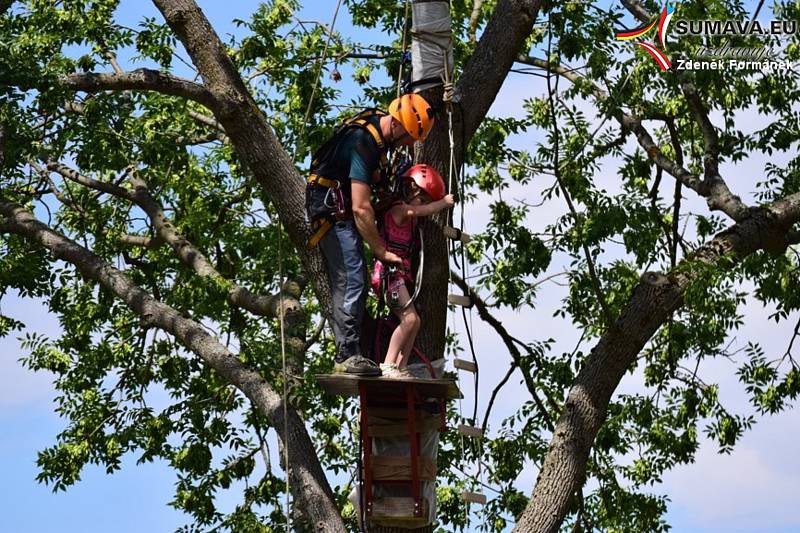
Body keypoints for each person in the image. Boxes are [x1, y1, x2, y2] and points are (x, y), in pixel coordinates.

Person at [305, 94, 435, 376]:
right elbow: (362, 208)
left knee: (358, 282)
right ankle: (347, 356)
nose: (409, 145)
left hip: (337, 207)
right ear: (399, 125)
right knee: (352, 279)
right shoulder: (363, 143)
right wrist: (380, 250)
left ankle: (359, 352)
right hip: (334, 211)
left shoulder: (374, 130)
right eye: (409, 137)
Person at [370, 164, 454, 379]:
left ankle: (401, 365)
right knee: (409, 320)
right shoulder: (399, 210)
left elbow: (418, 211)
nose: (424, 205)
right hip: (389, 277)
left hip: (397, 277)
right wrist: (442, 203)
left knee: (414, 322)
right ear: (411, 191)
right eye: (423, 199)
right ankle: (388, 364)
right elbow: (418, 210)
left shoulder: (411, 220)